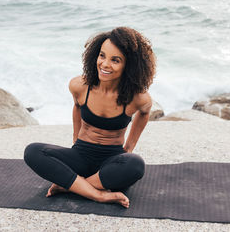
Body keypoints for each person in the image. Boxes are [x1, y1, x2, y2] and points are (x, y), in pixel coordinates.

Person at [24, 27, 156, 208]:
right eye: (102, 56)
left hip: (111, 162)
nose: (105, 64)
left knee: (135, 164)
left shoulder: (137, 98)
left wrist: (129, 147)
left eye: (115, 60)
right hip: (79, 156)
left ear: (129, 65)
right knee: (33, 151)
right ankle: (97, 194)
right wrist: (75, 138)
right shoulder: (80, 86)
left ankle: (71, 186)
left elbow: (145, 113)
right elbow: (77, 107)